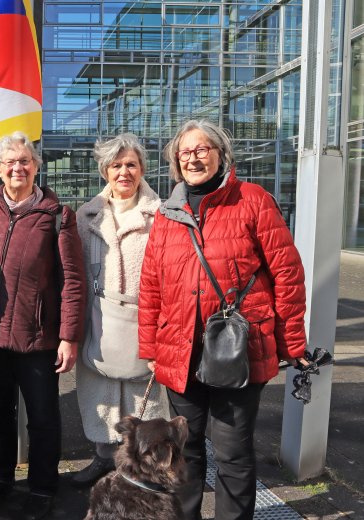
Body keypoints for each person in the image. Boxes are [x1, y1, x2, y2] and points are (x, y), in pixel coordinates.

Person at [138, 119, 309, 520]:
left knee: (232, 452)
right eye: (185, 152)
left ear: (220, 154)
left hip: (239, 348)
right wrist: (150, 348)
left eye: (202, 149)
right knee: (184, 450)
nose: (194, 157)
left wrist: (292, 342)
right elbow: (152, 287)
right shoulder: (167, 213)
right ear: (176, 163)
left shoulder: (251, 199)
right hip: (180, 351)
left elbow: (287, 273)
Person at [0, 132, 86, 520]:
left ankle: (42, 486)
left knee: (44, 417)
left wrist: (69, 336)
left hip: (38, 339)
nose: (18, 167)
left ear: (36, 166)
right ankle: (2, 476)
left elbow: (73, 281)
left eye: (25, 161)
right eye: (10, 162)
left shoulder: (57, 216)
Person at [72, 133, 170, 488]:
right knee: (99, 389)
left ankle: (144, 465)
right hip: (98, 316)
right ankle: (102, 459)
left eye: (131, 164)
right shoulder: (86, 216)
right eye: (116, 165)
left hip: (144, 316)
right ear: (105, 171)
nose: (124, 172)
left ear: (142, 168)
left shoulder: (161, 215)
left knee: (142, 395)